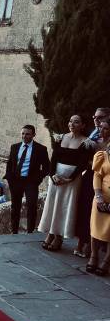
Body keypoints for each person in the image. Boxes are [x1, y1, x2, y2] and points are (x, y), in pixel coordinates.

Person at [38, 115, 91, 251]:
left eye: (76, 122)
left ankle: (59, 237)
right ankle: (50, 233)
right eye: (70, 121)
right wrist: (52, 175)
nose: (72, 124)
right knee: (53, 204)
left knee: (64, 206)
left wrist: (70, 178)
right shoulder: (60, 137)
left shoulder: (86, 142)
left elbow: (82, 164)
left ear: (83, 125)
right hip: (56, 177)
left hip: (71, 180)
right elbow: (54, 158)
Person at [75, 109, 110, 257]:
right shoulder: (93, 135)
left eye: (100, 117)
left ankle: (92, 246)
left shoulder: (105, 137)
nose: (96, 119)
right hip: (91, 176)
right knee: (84, 209)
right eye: (94, 116)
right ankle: (82, 241)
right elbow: (81, 154)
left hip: (105, 178)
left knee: (97, 212)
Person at [4, 125, 50, 234]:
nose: (24, 136)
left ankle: (30, 232)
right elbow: (10, 163)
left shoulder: (40, 149)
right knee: (15, 207)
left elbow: (47, 167)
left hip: (30, 182)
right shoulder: (14, 147)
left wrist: (37, 179)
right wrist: (9, 178)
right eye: (23, 133)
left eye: (28, 134)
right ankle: (14, 231)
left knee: (32, 206)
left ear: (33, 135)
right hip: (16, 181)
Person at [88, 131, 110, 276]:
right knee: (95, 228)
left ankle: (106, 262)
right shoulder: (103, 154)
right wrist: (99, 195)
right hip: (101, 196)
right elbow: (97, 175)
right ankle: (93, 256)